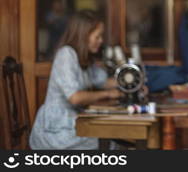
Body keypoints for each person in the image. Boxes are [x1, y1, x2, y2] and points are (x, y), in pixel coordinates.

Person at [30, 10, 123, 149]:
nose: (101, 40)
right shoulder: (66, 55)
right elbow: (75, 98)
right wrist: (108, 94)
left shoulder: (82, 57)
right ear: (84, 35)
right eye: (97, 36)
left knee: (112, 135)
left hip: (71, 122)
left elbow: (103, 81)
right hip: (56, 130)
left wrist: (130, 84)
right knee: (109, 136)